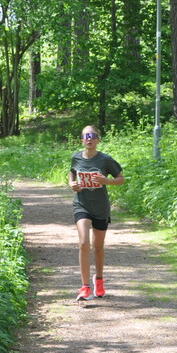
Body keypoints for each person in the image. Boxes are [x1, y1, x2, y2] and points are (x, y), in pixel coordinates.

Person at [68, 124, 124, 301]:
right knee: (84, 243)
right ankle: (85, 287)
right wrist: (71, 184)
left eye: (92, 135)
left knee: (98, 247)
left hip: (100, 207)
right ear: (82, 140)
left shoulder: (105, 160)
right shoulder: (76, 157)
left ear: (98, 140)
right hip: (82, 205)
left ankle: (98, 280)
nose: (89, 139)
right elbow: (71, 173)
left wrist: (106, 181)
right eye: (86, 136)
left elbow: (120, 179)